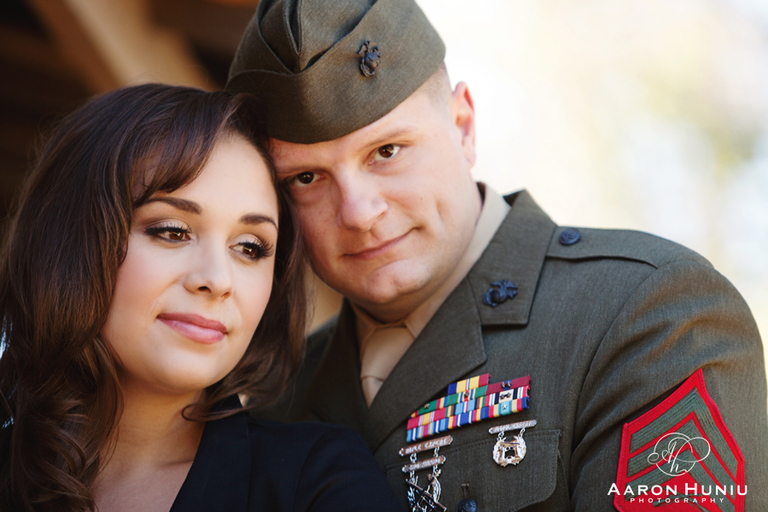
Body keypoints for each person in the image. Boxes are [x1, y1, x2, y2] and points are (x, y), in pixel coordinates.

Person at [225, 0, 768, 510]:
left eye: (387, 151)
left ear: (463, 126)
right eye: (306, 177)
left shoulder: (645, 316)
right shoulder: (280, 396)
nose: (359, 211)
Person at [0, 83, 403, 512]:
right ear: (70, 241)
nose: (217, 279)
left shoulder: (320, 483)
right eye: (172, 232)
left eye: (250, 247)